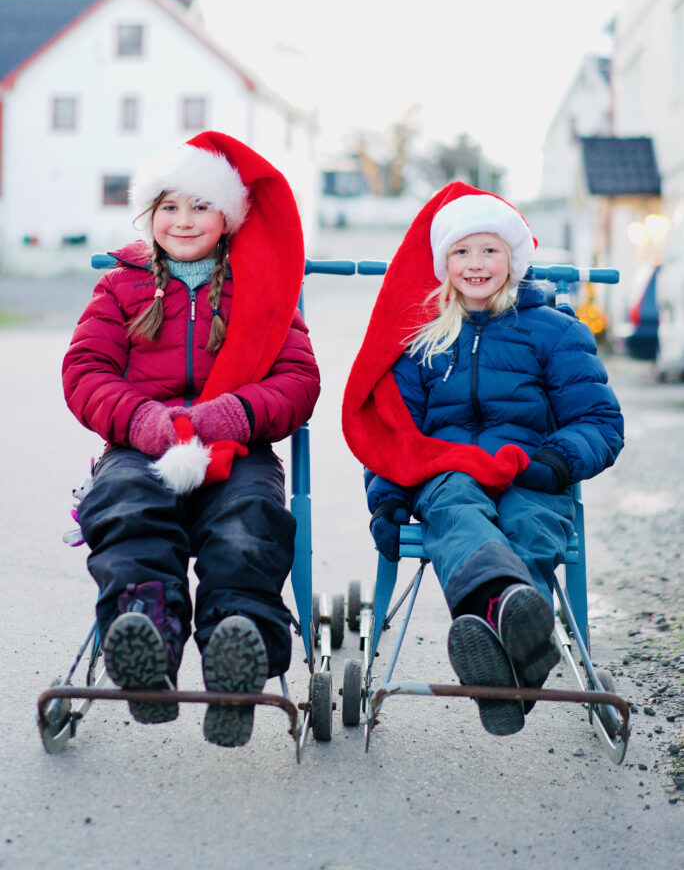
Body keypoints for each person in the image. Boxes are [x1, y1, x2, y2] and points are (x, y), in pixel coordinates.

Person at [62, 131, 320, 747]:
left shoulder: (260, 286)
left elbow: (297, 379)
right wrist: (145, 422)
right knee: (126, 505)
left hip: (236, 446)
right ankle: (145, 631)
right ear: (148, 214)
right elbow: (85, 372)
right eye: (168, 207)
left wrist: (230, 416)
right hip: (142, 441)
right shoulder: (121, 285)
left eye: (200, 207)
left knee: (247, 523)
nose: (183, 221)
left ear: (227, 218)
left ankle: (241, 645)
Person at [342, 182, 623, 737]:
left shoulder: (556, 332)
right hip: (446, 469)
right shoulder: (422, 340)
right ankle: (509, 618)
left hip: (531, 468)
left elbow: (599, 421)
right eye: (462, 252)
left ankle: (505, 647)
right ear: (443, 262)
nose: (475, 264)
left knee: (529, 523)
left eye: (490, 250)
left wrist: (558, 461)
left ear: (513, 258)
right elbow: (395, 432)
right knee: (455, 505)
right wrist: (390, 500)